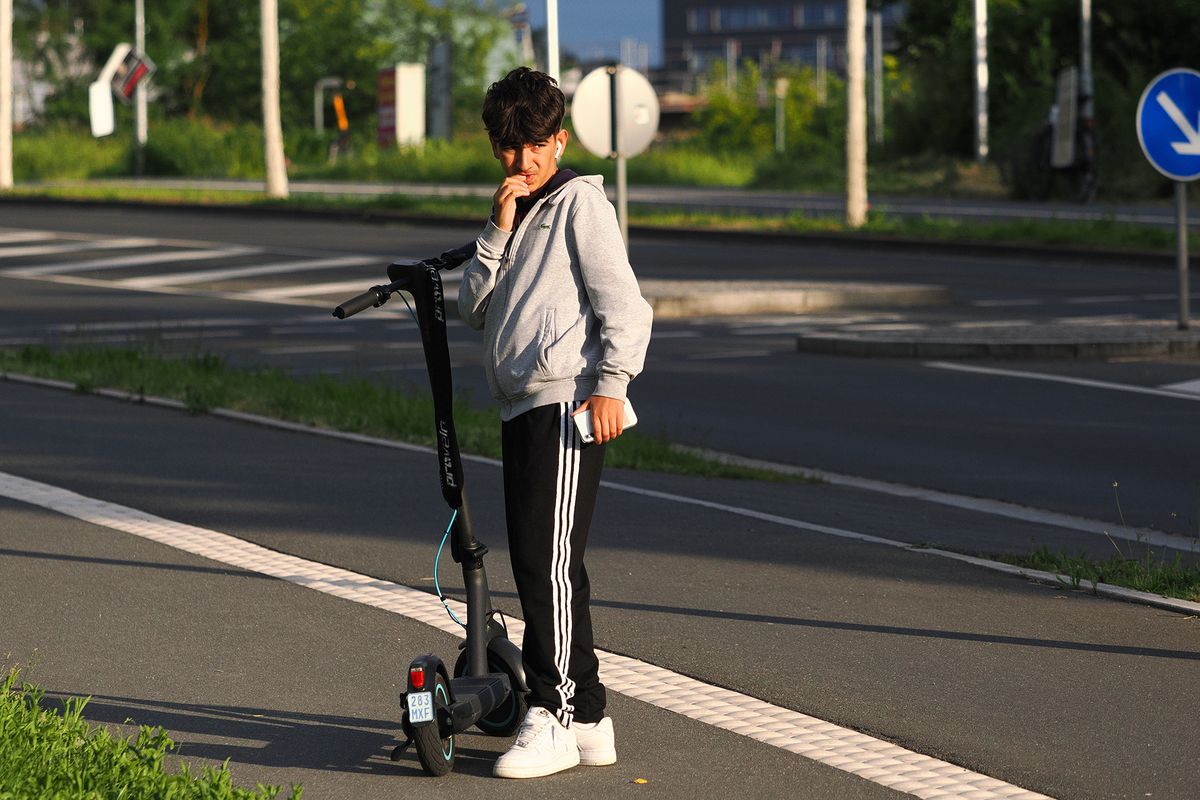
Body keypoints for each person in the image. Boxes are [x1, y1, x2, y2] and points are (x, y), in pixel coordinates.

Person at [458, 67, 653, 779]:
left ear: (558, 139)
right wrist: (496, 228)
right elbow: (471, 308)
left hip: (565, 402)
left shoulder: (579, 204)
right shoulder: (516, 212)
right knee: (545, 564)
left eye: (534, 146)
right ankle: (591, 714)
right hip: (522, 403)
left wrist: (611, 385)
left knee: (547, 567)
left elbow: (626, 308)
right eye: (508, 148)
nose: (521, 161)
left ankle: (558, 713)